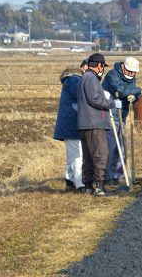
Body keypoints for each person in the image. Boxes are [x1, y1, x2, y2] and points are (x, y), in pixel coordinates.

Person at [77, 53, 122, 196]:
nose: (103, 69)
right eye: (103, 66)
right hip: (94, 123)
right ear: (99, 65)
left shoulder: (85, 78)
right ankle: (100, 187)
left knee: (89, 156)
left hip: (86, 123)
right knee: (101, 154)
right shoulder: (90, 78)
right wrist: (111, 103)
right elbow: (95, 99)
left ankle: (89, 186)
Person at [102, 57, 142, 184]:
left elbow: (129, 92)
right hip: (110, 115)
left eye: (134, 72)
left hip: (122, 115)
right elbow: (121, 91)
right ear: (123, 67)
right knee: (112, 146)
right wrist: (138, 90)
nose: (132, 74)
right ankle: (109, 177)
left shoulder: (131, 78)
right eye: (129, 72)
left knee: (121, 146)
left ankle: (119, 175)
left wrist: (134, 97)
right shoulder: (113, 75)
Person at [54, 59, 88, 192]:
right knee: (78, 155)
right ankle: (81, 185)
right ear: (81, 68)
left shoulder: (72, 80)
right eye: (87, 67)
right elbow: (83, 95)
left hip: (69, 124)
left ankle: (70, 180)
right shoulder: (75, 80)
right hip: (72, 124)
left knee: (72, 155)